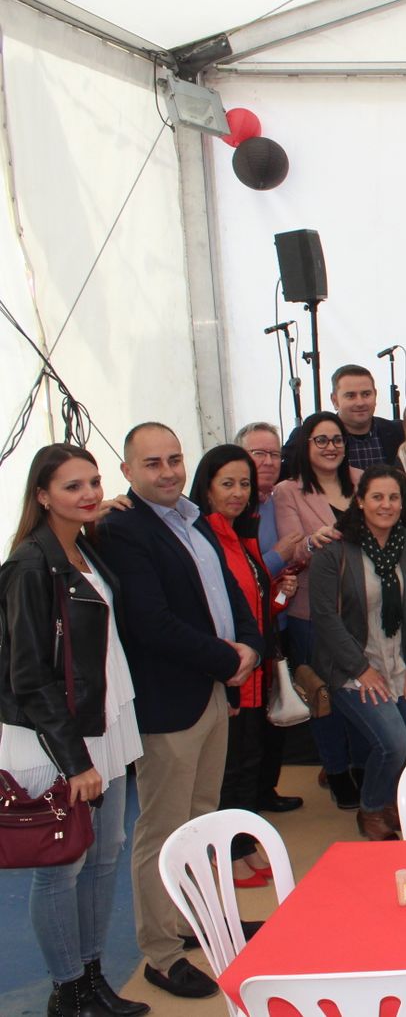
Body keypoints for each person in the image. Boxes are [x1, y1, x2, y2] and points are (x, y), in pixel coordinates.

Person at [97, 423, 262, 1000]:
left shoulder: (192, 519)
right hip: (171, 702)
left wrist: (250, 646)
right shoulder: (123, 529)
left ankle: (199, 921)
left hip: (214, 691)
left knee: (202, 821)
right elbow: (150, 622)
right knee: (162, 830)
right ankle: (161, 954)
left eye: (174, 459)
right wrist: (228, 659)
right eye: (152, 463)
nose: (166, 471)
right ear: (127, 472)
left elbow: (230, 594)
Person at [0, 445, 149, 1017]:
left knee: (104, 855)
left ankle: (92, 979)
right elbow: (28, 675)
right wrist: (73, 761)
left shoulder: (82, 548)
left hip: (102, 722)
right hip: (59, 738)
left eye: (93, 482)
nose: (89, 494)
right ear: (42, 495)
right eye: (71, 487)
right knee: (62, 866)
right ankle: (68, 990)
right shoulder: (30, 565)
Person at [308, 466, 406, 840]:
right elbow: (325, 618)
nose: (386, 505)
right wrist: (361, 669)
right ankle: (371, 809)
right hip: (351, 668)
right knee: (394, 742)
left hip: (401, 663)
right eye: (377, 497)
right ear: (360, 501)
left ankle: (393, 797)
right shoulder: (334, 550)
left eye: (394, 497)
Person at [188, 445, 293, 888]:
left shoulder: (240, 534)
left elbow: (250, 603)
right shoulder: (201, 536)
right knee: (229, 769)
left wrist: (277, 591)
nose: (237, 492)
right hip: (228, 675)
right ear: (207, 487)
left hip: (253, 670)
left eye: (244, 484)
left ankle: (242, 845)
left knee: (248, 762)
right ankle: (225, 854)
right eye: (227, 483)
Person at [272, 410, 368, 810]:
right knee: (324, 696)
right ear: (305, 446)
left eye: (337, 440)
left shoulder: (364, 481)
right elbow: (290, 550)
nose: (331, 447)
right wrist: (313, 542)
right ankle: (336, 770)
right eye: (321, 440)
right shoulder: (287, 491)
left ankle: (363, 767)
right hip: (312, 611)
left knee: (365, 691)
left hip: (364, 610)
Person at [236, 421, 304, 814]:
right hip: (245, 632)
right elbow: (241, 574)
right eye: (257, 453)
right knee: (248, 725)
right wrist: (278, 555)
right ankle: (245, 807)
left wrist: (290, 571)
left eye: (274, 454)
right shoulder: (230, 509)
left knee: (278, 712)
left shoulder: (280, 501)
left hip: (280, 621)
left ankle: (266, 791)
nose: (267, 461)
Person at [287, 364, 403, 470]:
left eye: (366, 394)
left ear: (375, 395)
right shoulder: (306, 436)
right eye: (351, 396)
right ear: (335, 401)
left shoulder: (400, 432)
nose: (360, 402)